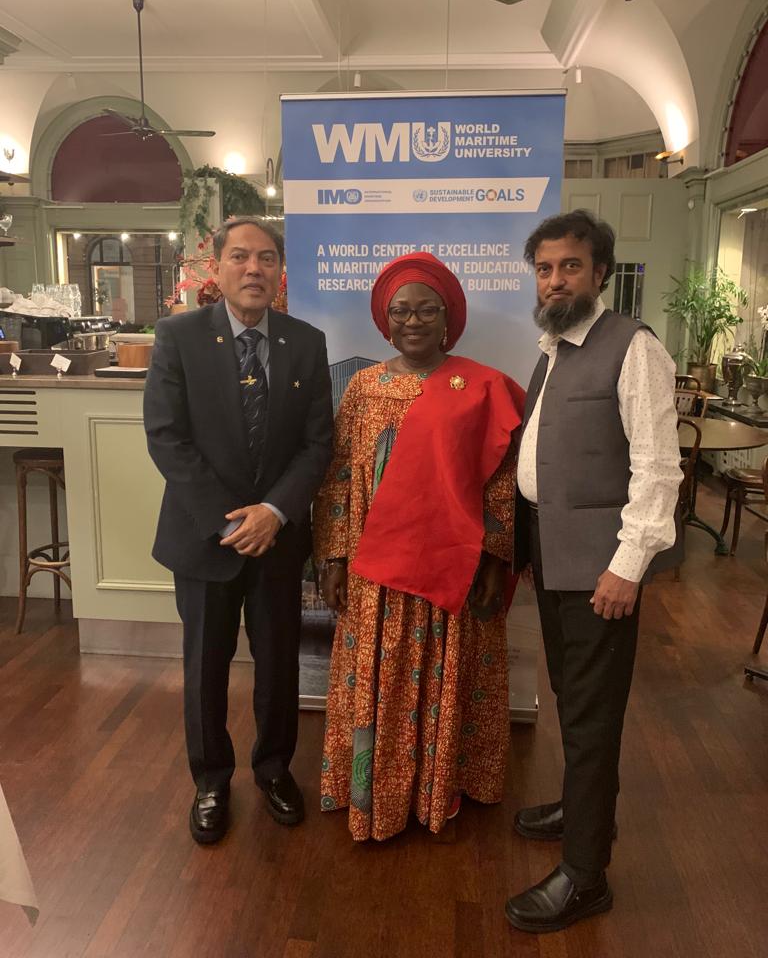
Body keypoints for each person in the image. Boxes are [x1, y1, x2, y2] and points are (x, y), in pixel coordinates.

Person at [504, 210, 682, 933]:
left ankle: (585, 876)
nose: (555, 280)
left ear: (600, 272)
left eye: (570, 266)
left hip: (601, 569)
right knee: (574, 701)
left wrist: (627, 566)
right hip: (554, 556)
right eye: (545, 268)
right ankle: (585, 814)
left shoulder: (632, 348)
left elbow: (658, 469)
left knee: (591, 713)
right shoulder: (553, 346)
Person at [314, 251, 526, 842]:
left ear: (447, 317)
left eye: (426, 309)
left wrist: (494, 556)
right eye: (400, 311)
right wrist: (332, 556)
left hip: (446, 568)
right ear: (384, 320)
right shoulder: (362, 389)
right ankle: (372, 789)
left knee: (444, 673)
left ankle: (437, 787)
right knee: (373, 674)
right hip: (374, 568)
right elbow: (337, 476)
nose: (413, 321)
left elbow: (501, 479)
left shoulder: (481, 387)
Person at [144, 216, 333, 843]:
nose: (255, 269)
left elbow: (317, 444)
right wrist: (233, 520)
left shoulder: (307, 341)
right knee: (205, 666)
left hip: (277, 540)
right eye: (241, 257)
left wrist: (273, 513)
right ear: (217, 267)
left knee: (280, 663)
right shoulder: (177, 337)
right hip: (205, 538)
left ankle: (275, 770)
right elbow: (167, 438)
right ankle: (211, 780)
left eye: (268, 258)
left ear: (281, 272)